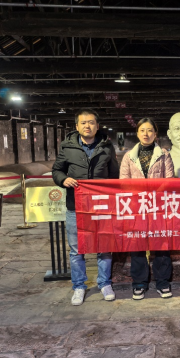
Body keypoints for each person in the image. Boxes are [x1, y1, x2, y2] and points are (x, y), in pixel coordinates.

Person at [52, 110, 119, 306]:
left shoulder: (107, 147)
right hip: (76, 207)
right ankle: (79, 286)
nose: (87, 126)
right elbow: (57, 170)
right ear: (77, 126)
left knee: (104, 247)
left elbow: (114, 176)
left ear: (97, 126)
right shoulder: (67, 147)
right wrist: (63, 179)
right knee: (76, 250)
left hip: (101, 207)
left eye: (91, 122)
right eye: (83, 123)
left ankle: (105, 283)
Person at [120, 118, 175, 300]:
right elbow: (124, 182)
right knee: (137, 245)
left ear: (155, 134)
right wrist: (139, 196)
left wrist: (154, 196)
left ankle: (162, 282)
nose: (146, 134)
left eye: (150, 130)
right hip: (137, 207)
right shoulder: (128, 156)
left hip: (159, 207)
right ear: (137, 133)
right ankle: (139, 283)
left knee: (161, 244)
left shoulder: (164, 155)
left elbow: (169, 181)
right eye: (142, 130)